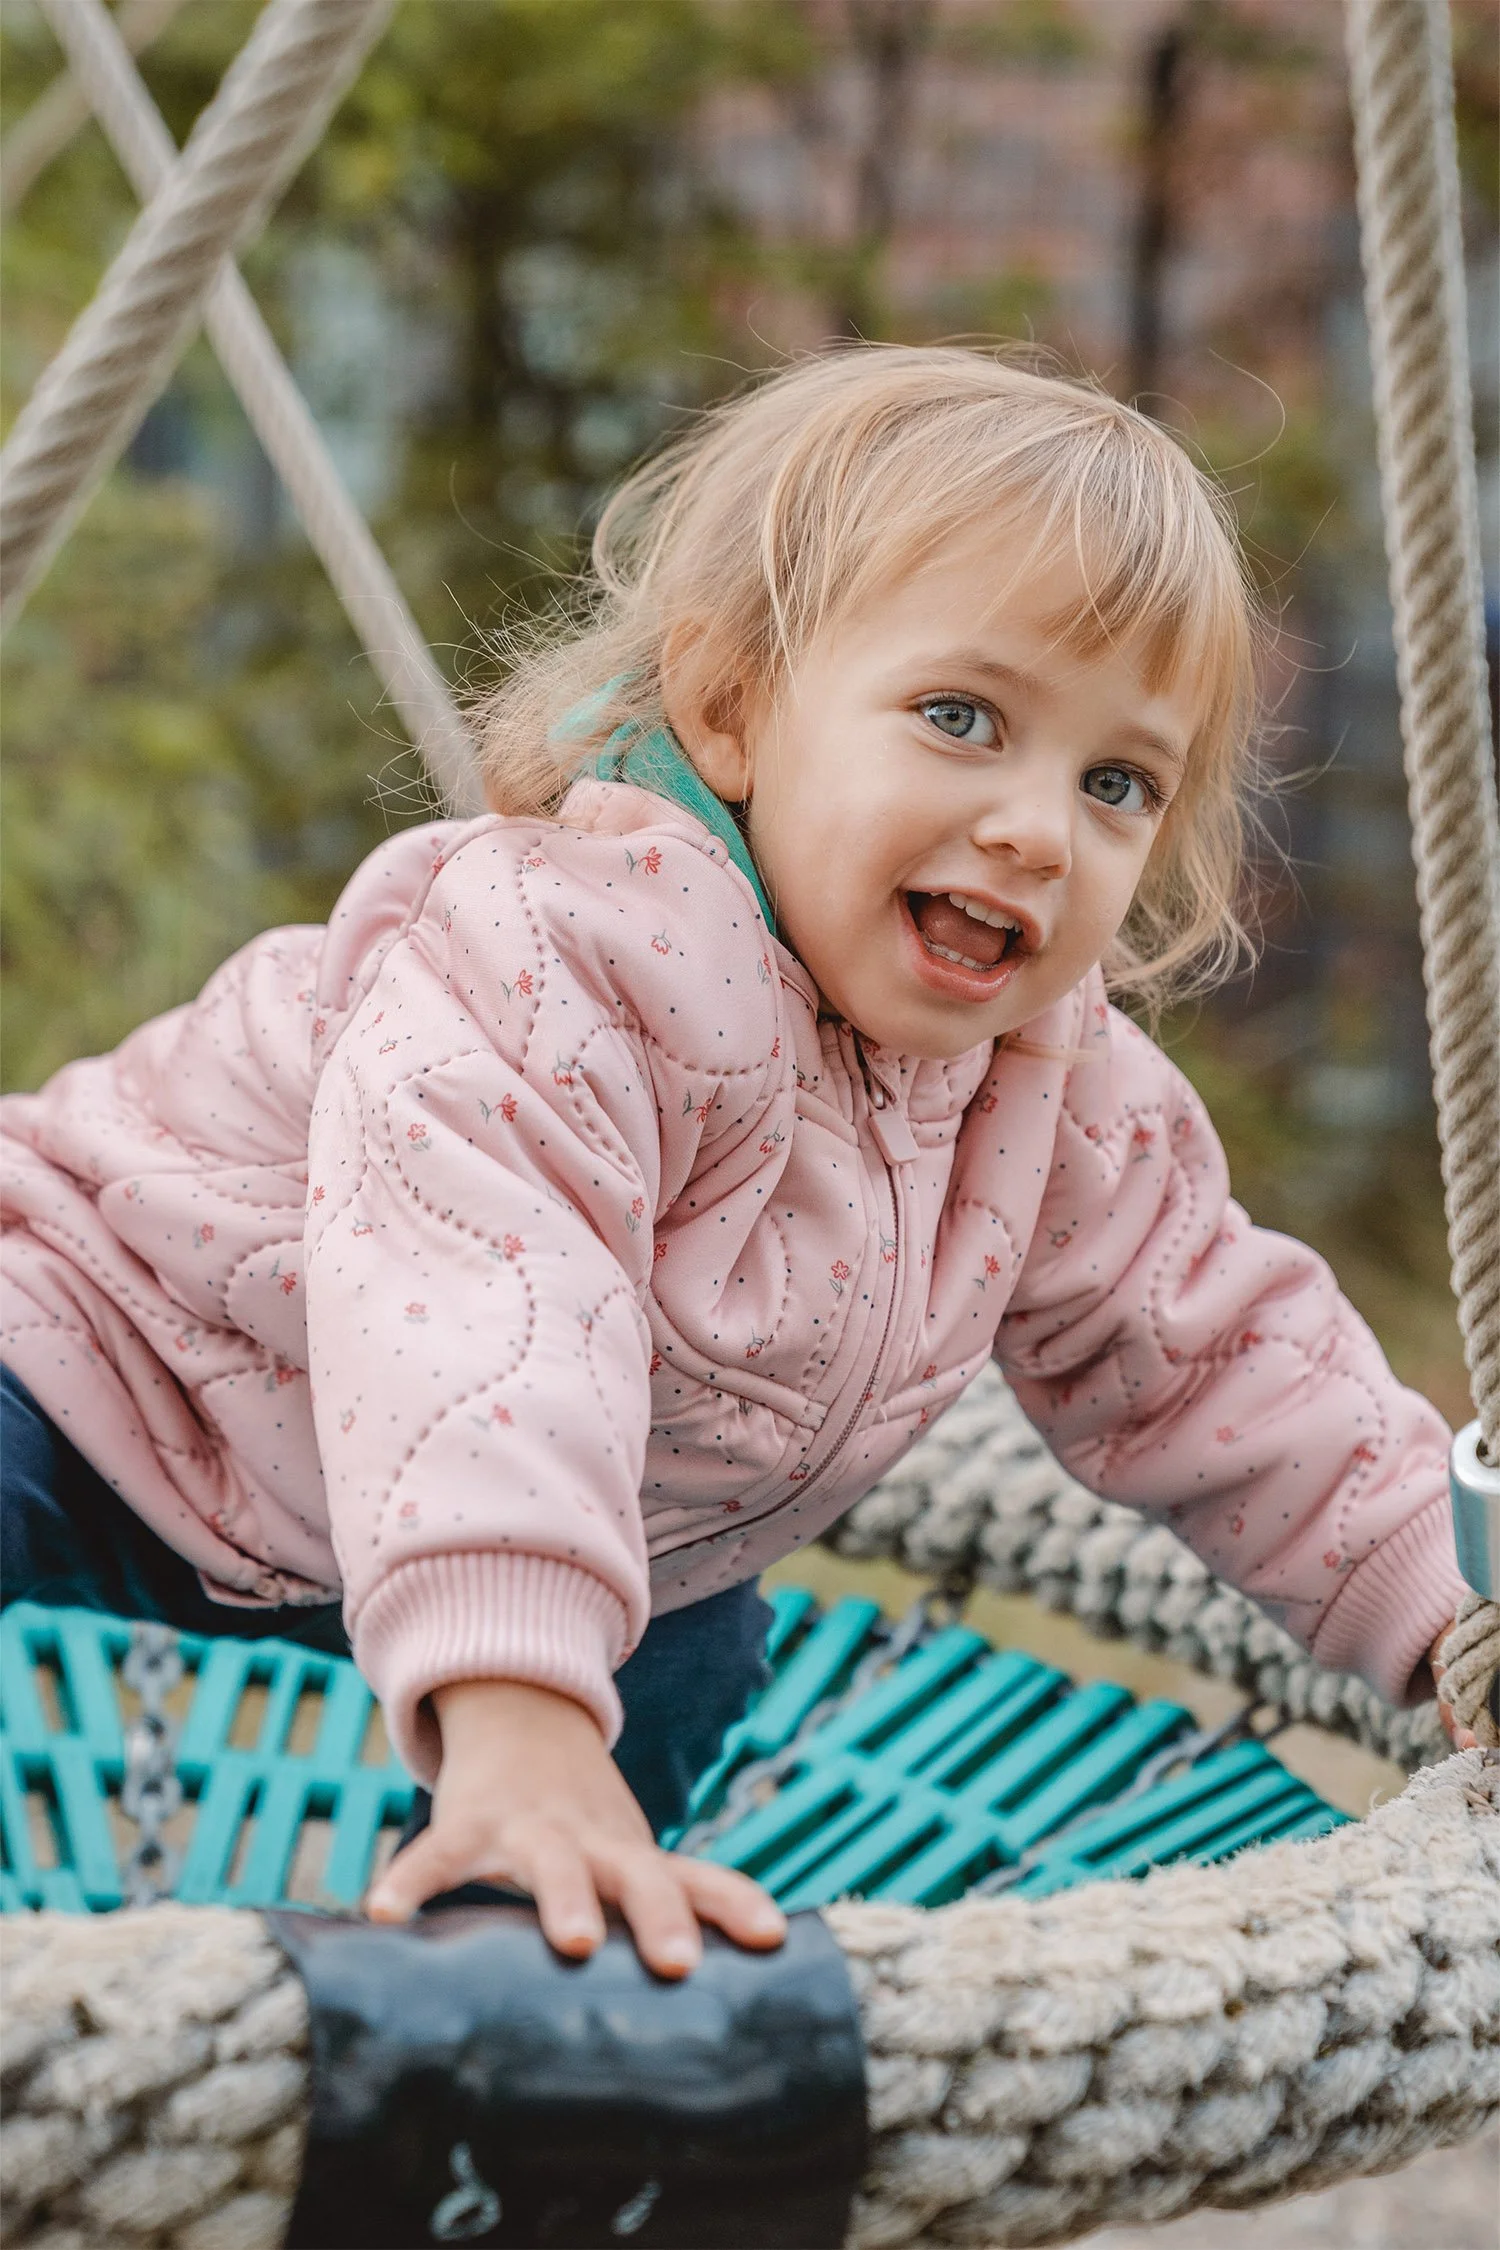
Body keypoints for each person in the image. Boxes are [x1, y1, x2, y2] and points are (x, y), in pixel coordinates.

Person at [1, 347, 1474, 1979]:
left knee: (693, 1640)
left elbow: (1217, 1356)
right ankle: (525, 1776)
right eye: (961, 717)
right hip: (97, 1363)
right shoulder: (569, 955)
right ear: (730, 707)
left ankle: (499, 1959)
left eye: (1116, 780)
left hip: (547, 1535)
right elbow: (490, 1311)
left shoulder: (1053, 1089)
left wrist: (1442, 1609)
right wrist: (522, 1708)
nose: (1039, 828)